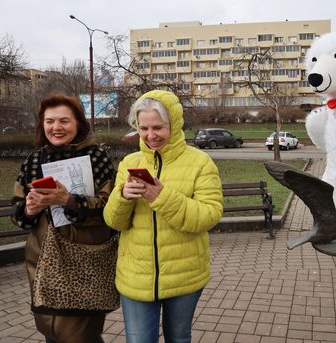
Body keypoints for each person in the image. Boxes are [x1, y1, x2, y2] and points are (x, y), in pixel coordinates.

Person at [104, 90, 223, 343]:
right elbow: (114, 221)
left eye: (158, 127)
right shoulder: (129, 163)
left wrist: (162, 197)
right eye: (143, 128)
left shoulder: (201, 163)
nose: (150, 136)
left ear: (174, 124)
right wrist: (123, 196)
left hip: (185, 273)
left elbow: (209, 215)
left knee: (178, 338)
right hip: (136, 274)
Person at [11, 94, 116, 343]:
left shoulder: (96, 157)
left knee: (82, 334)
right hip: (43, 259)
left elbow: (111, 207)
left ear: (78, 123)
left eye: (64, 121)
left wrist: (68, 200)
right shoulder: (34, 161)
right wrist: (29, 209)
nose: (56, 127)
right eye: (49, 121)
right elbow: (18, 213)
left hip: (86, 257)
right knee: (52, 331)